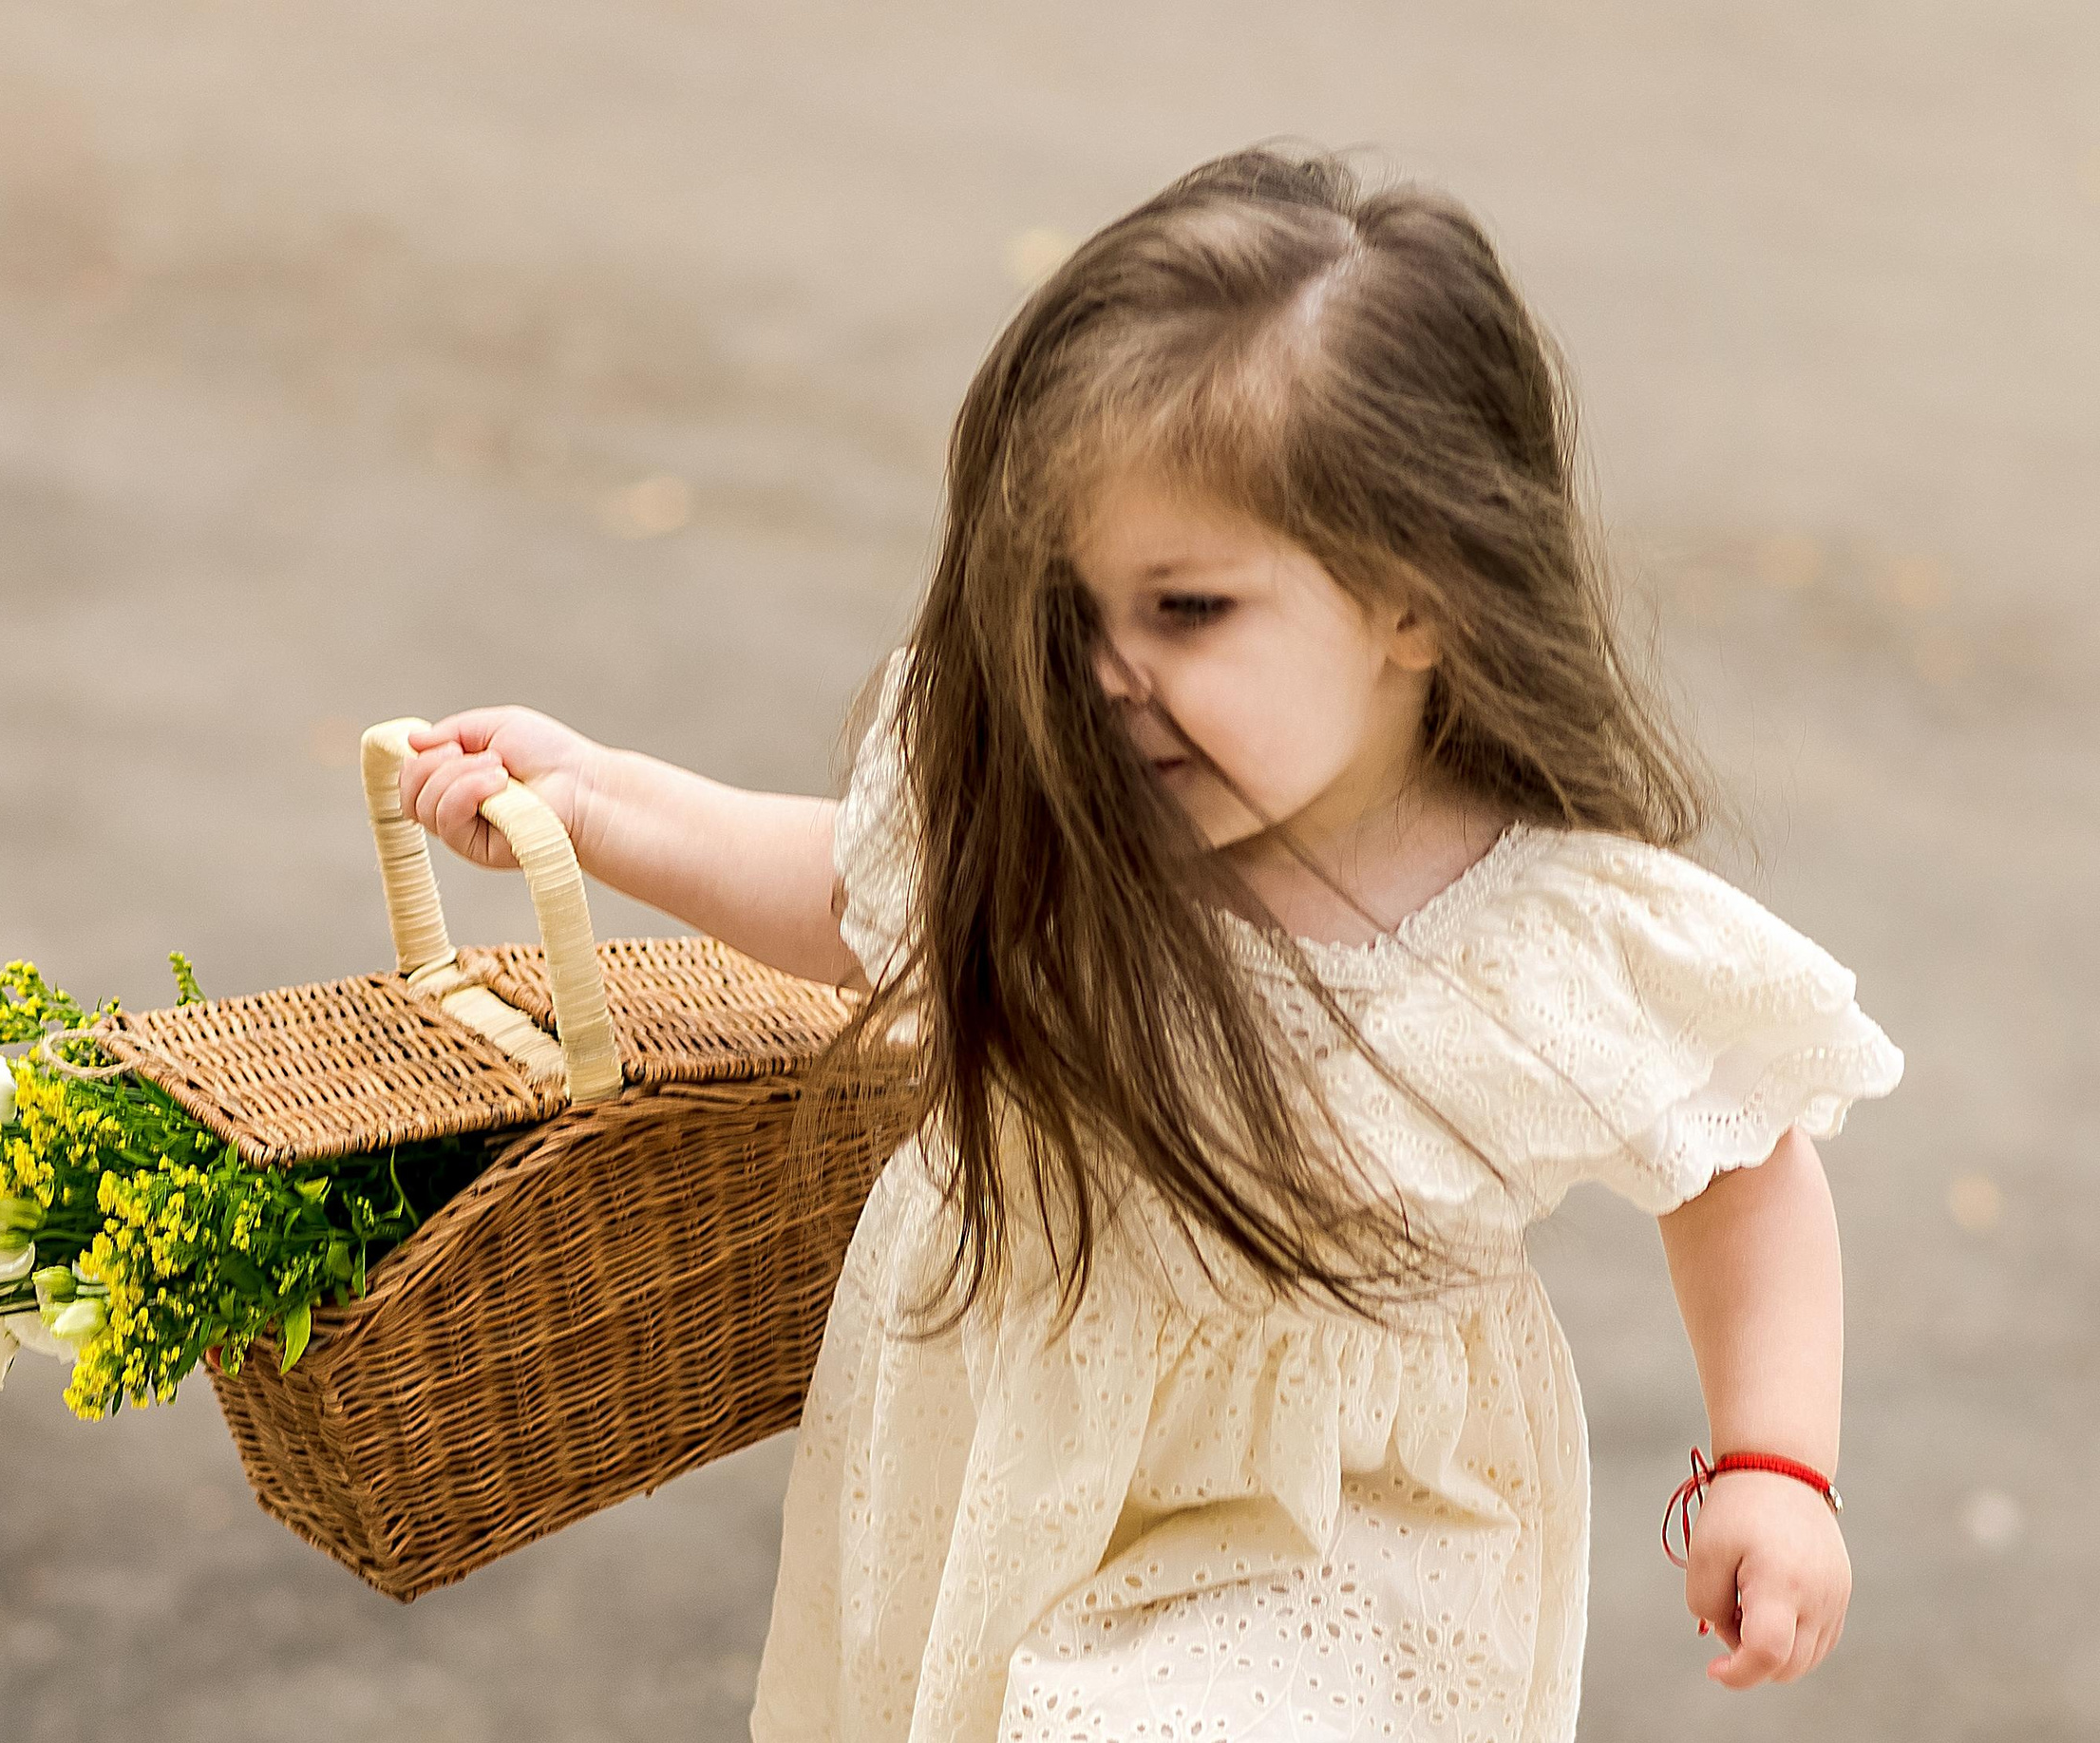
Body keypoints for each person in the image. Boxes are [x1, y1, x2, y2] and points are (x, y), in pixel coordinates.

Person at [397, 145, 1904, 1742]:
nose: (1104, 675)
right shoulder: (1060, 806)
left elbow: (1743, 1166)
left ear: (1416, 599)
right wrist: (605, 803)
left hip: (1337, 1527)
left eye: (1186, 610)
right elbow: (861, 900)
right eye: (1067, 605)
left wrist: (1776, 1465)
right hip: (1003, 1445)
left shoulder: (1548, 934)